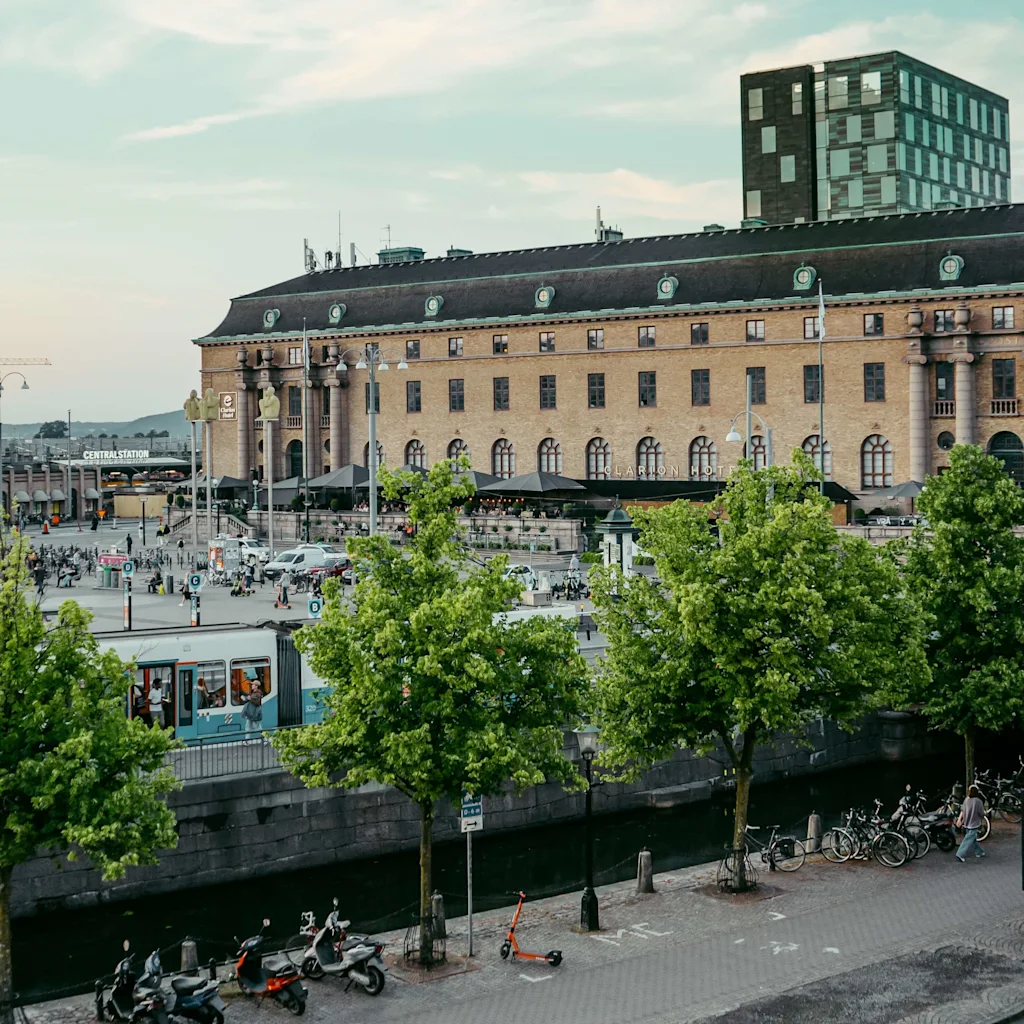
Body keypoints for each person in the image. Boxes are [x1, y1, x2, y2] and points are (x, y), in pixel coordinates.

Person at [956, 785, 987, 863]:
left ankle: (979, 852)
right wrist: (985, 813)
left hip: (966, 822)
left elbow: (962, 811)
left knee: (972, 839)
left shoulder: (966, 800)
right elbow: (981, 813)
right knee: (968, 840)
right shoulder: (978, 801)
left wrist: (959, 820)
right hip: (974, 823)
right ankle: (960, 853)